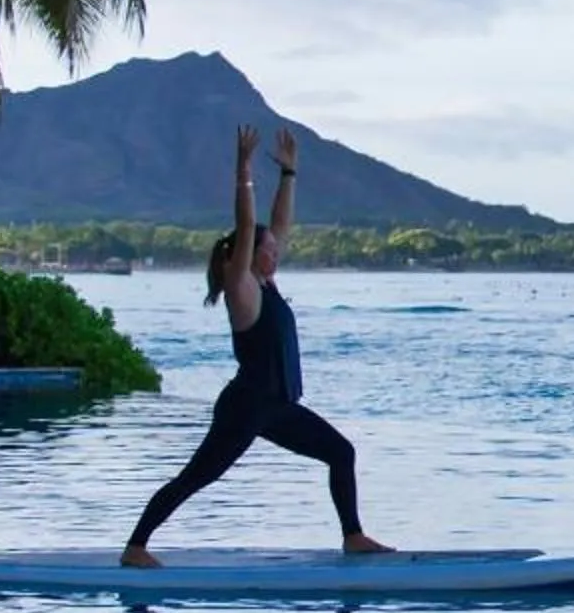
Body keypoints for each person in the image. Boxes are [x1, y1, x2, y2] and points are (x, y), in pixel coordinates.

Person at [123, 125, 384, 568]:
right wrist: (243, 172)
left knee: (341, 453)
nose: (276, 251)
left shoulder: (267, 280)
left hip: (276, 406)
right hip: (244, 408)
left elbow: (277, 226)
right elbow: (249, 226)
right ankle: (136, 547)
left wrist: (289, 175)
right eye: (268, 249)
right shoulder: (242, 286)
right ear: (248, 255)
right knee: (194, 479)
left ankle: (353, 536)